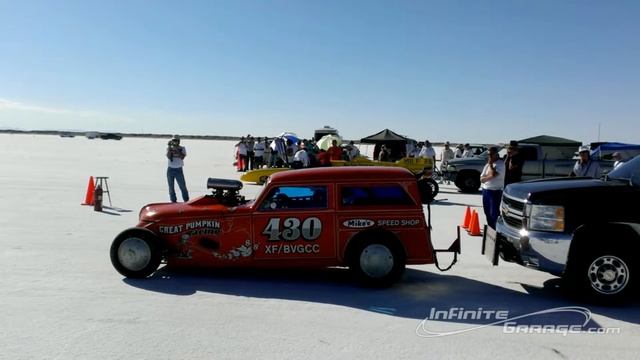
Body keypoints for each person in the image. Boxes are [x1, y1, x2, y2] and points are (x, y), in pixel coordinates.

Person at [480, 147, 505, 229]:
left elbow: (493, 175)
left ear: (496, 154)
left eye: (491, 154)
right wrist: (488, 177)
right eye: (488, 154)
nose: (489, 156)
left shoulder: (501, 164)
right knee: (487, 212)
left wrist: (491, 166)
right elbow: (482, 178)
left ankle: (496, 229)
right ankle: (490, 228)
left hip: (495, 191)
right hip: (486, 190)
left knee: (493, 213)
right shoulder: (487, 165)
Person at [166, 135, 189, 203]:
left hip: (179, 170)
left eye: (175, 140)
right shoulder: (169, 148)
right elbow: (169, 157)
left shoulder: (182, 148)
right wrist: (170, 148)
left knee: (183, 187)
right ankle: (173, 201)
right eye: (173, 140)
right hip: (170, 170)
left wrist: (176, 149)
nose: (174, 142)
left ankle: (186, 200)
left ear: (178, 141)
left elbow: (182, 157)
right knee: (171, 187)